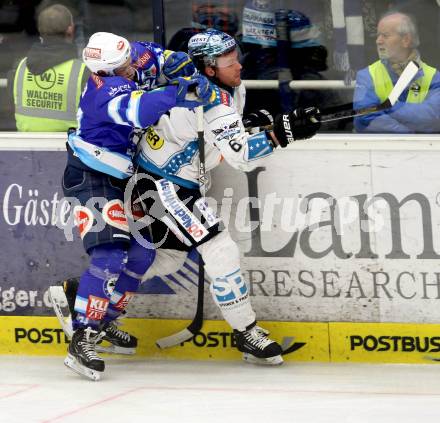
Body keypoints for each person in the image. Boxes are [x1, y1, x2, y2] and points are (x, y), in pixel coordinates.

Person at [132, 29, 321, 365]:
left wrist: (247, 124)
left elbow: (222, 134)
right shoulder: (205, 99)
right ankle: (247, 332)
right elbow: (241, 156)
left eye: (236, 56)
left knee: (169, 259)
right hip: (161, 185)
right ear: (207, 68)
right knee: (220, 248)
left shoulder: (230, 86)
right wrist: (282, 133)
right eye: (227, 60)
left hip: (169, 183)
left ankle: (88, 292)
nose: (237, 65)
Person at [62, 31, 213, 380]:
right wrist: (181, 90)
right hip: (91, 176)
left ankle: (103, 323)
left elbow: (164, 59)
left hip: (128, 178)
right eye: (121, 68)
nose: (130, 68)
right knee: (112, 254)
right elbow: (141, 109)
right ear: (102, 71)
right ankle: (82, 335)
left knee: (144, 253)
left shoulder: (131, 56)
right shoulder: (103, 91)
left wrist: (181, 66)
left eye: (129, 59)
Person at [353, 11, 440, 133]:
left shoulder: (434, 77)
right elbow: (364, 119)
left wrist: (388, 107)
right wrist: (408, 134)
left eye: (385, 35)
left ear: (406, 40)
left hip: (424, 150)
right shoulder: (367, 75)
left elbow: (434, 119)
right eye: (378, 35)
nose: (378, 41)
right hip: (381, 150)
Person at [12, 4, 88, 131]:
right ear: (70, 29)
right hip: (68, 147)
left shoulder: (20, 66)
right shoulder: (82, 72)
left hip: (24, 145)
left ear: (40, 30)